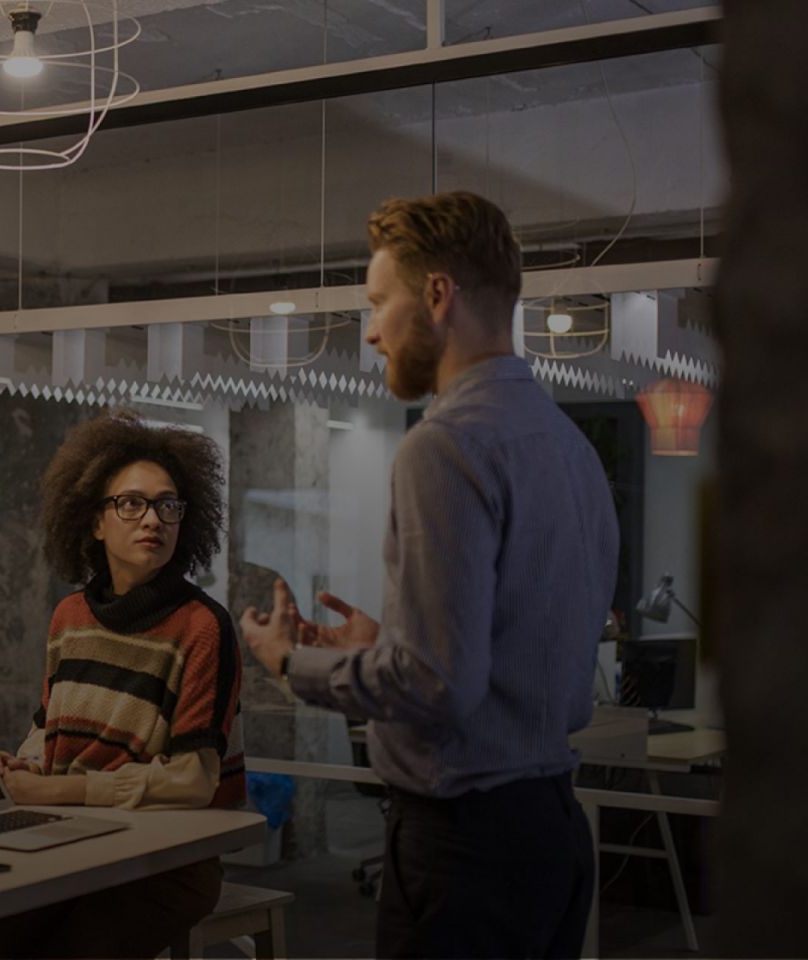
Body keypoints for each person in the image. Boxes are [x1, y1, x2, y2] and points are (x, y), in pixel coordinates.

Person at [238, 191, 619, 959]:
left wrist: (290, 662)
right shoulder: (570, 447)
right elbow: (496, 655)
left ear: (438, 295)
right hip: (553, 836)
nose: (371, 331)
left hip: (465, 852)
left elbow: (437, 682)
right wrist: (387, 642)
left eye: (379, 302)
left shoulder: (445, 446)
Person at [0, 412, 245, 959]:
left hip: (163, 863)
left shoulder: (203, 626)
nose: (153, 520)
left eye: (167, 506)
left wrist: (62, 790)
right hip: (67, 841)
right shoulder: (70, 616)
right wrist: (27, 765)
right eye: (131, 504)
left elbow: (195, 780)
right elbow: (48, 727)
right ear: (95, 522)